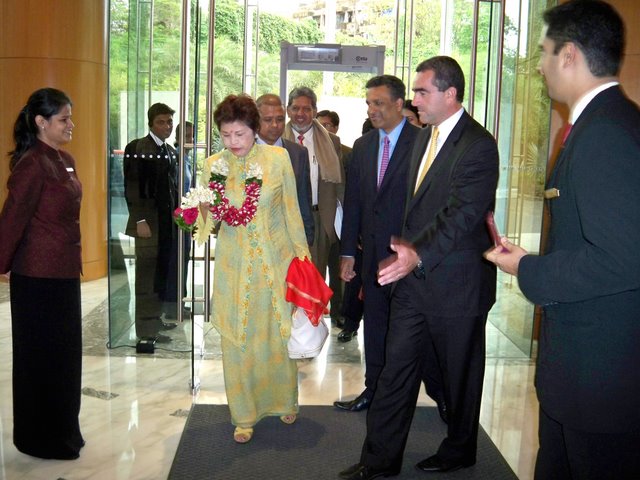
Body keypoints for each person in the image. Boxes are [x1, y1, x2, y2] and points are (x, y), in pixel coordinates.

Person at [484, 2, 640, 478]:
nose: (538, 66)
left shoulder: (605, 134)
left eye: (543, 52)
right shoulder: (610, 122)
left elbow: (622, 258)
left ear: (568, 54)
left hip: (598, 378)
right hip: (586, 371)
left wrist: (526, 268)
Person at [339, 56, 499, 479]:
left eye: (422, 92)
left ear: (450, 94)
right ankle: (378, 460)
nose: (414, 100)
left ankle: (460, 449)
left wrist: (416, 253)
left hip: (458, 286)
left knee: (459, 377)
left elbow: (462, 215)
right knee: (395, 372)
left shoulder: (478, 145)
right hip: (413, 283)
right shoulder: (423, 137)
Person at [198, 94, 310, 443]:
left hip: (275, 264)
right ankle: (243, 415)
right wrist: (197, 213)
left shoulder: (277, 160)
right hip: (233, 269)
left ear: (254, 129)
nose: (233, 142)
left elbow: (292, 211)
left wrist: (303, 261)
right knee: (238, 340)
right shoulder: (213, 166)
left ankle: (284, 400)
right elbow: (206, 225)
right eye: (226, 135)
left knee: (277, 335)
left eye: (240, 134)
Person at [0, 87, 85, 459]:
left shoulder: (64, 158)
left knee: (65, 359)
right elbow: (13, 218)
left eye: (70, 117)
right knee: (40, 360)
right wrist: (2, 263)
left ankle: (65, 430)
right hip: (37, 277)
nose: (71, 124)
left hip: (63, 272)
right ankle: (39, 438)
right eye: (64, 118)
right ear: (41, 122)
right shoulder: (31, 164)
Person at [335, 75, 428, 412]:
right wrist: (348, 252)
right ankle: (372, 390)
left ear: (399, 104)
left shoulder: (423, 143)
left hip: (409, 260)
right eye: (369, 104)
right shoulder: (363, 146)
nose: (371, 110)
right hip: (372, 258)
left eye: (379, 103)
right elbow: (354, 203)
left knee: (407, 334)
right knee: (374, 328)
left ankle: (404, 398)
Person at [284, 87, 345, 327]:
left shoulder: (331, 141)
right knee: (287, 275)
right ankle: (287, 327)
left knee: (314, 276)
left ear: (314, 111)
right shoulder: (277, 139)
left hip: (320, 218)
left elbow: (340, 184)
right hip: (287, 218)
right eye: (295, 108)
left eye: (306, 109)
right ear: (288, 110)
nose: (300, 114)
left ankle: (310, 329)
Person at [123, 103, 178, 341]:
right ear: (151, 124)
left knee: (160, 274)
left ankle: (155, 320)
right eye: (161, 122)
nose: (167, 126)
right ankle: (145, 331)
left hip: (166, 224)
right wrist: (140, 219)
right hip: (148, 224)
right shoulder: (138, 147)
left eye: (169, 121)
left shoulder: (170, 150)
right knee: (146, 277)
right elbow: (132, 186)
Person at [256, 93, 314, 245]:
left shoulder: (298, 153)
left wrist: (306, 240)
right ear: (255, 121)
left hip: (288, 240)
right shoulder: (243, 152)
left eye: (280, 119)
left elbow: (303, 200)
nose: (275, 125)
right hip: (252, 240)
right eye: (268, 120)